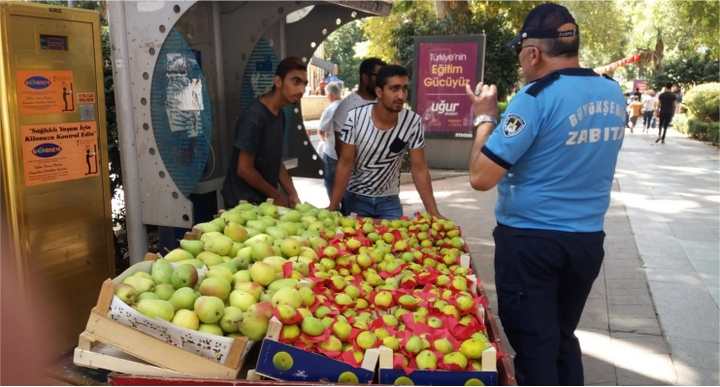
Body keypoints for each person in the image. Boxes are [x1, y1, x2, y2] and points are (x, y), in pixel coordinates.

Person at [464, 3, 624, 385]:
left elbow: (481, 176)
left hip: (532, 243)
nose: (520, 62)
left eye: (520, 52)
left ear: (532, 52)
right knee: (561, 337)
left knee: (534, 344)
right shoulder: (612, 92)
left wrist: (485, 118)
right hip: (586, 241)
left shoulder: (535, 97)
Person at [328, 65, 442, 219]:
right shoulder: (354, 118)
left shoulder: (413, 122)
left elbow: (419, 168)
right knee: (355, 242)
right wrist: (333, 206)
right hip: (356, 199)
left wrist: (433, 212)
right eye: (394, 89)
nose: (401, 95)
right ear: (379, 92)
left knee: (396, 241)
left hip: (390, 202)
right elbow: (345, 163)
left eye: (404, 89)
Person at [221, 57, 307, 208]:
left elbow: (275, 160)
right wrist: (276, 195)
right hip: (242, 204)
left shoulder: (280, 114)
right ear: (278, 82)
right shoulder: (254, 117)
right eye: (296, 81)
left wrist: (292, 193)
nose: (302, 90)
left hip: (263, 202)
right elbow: (244, 169)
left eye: (304, 84)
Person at [330, 58, 386, 160]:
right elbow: (342, 152)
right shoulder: (347, 108)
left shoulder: (384, 102)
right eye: (378, 77)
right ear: (365, 78)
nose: (382, 81)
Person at [317, 81, 343, 196]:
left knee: (330, 182)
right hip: (348, 153)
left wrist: (324, 139)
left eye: (327, 94)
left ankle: (334, 208)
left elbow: (321, 130)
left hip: (332, 153)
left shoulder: (330, 109)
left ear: (331, 95)